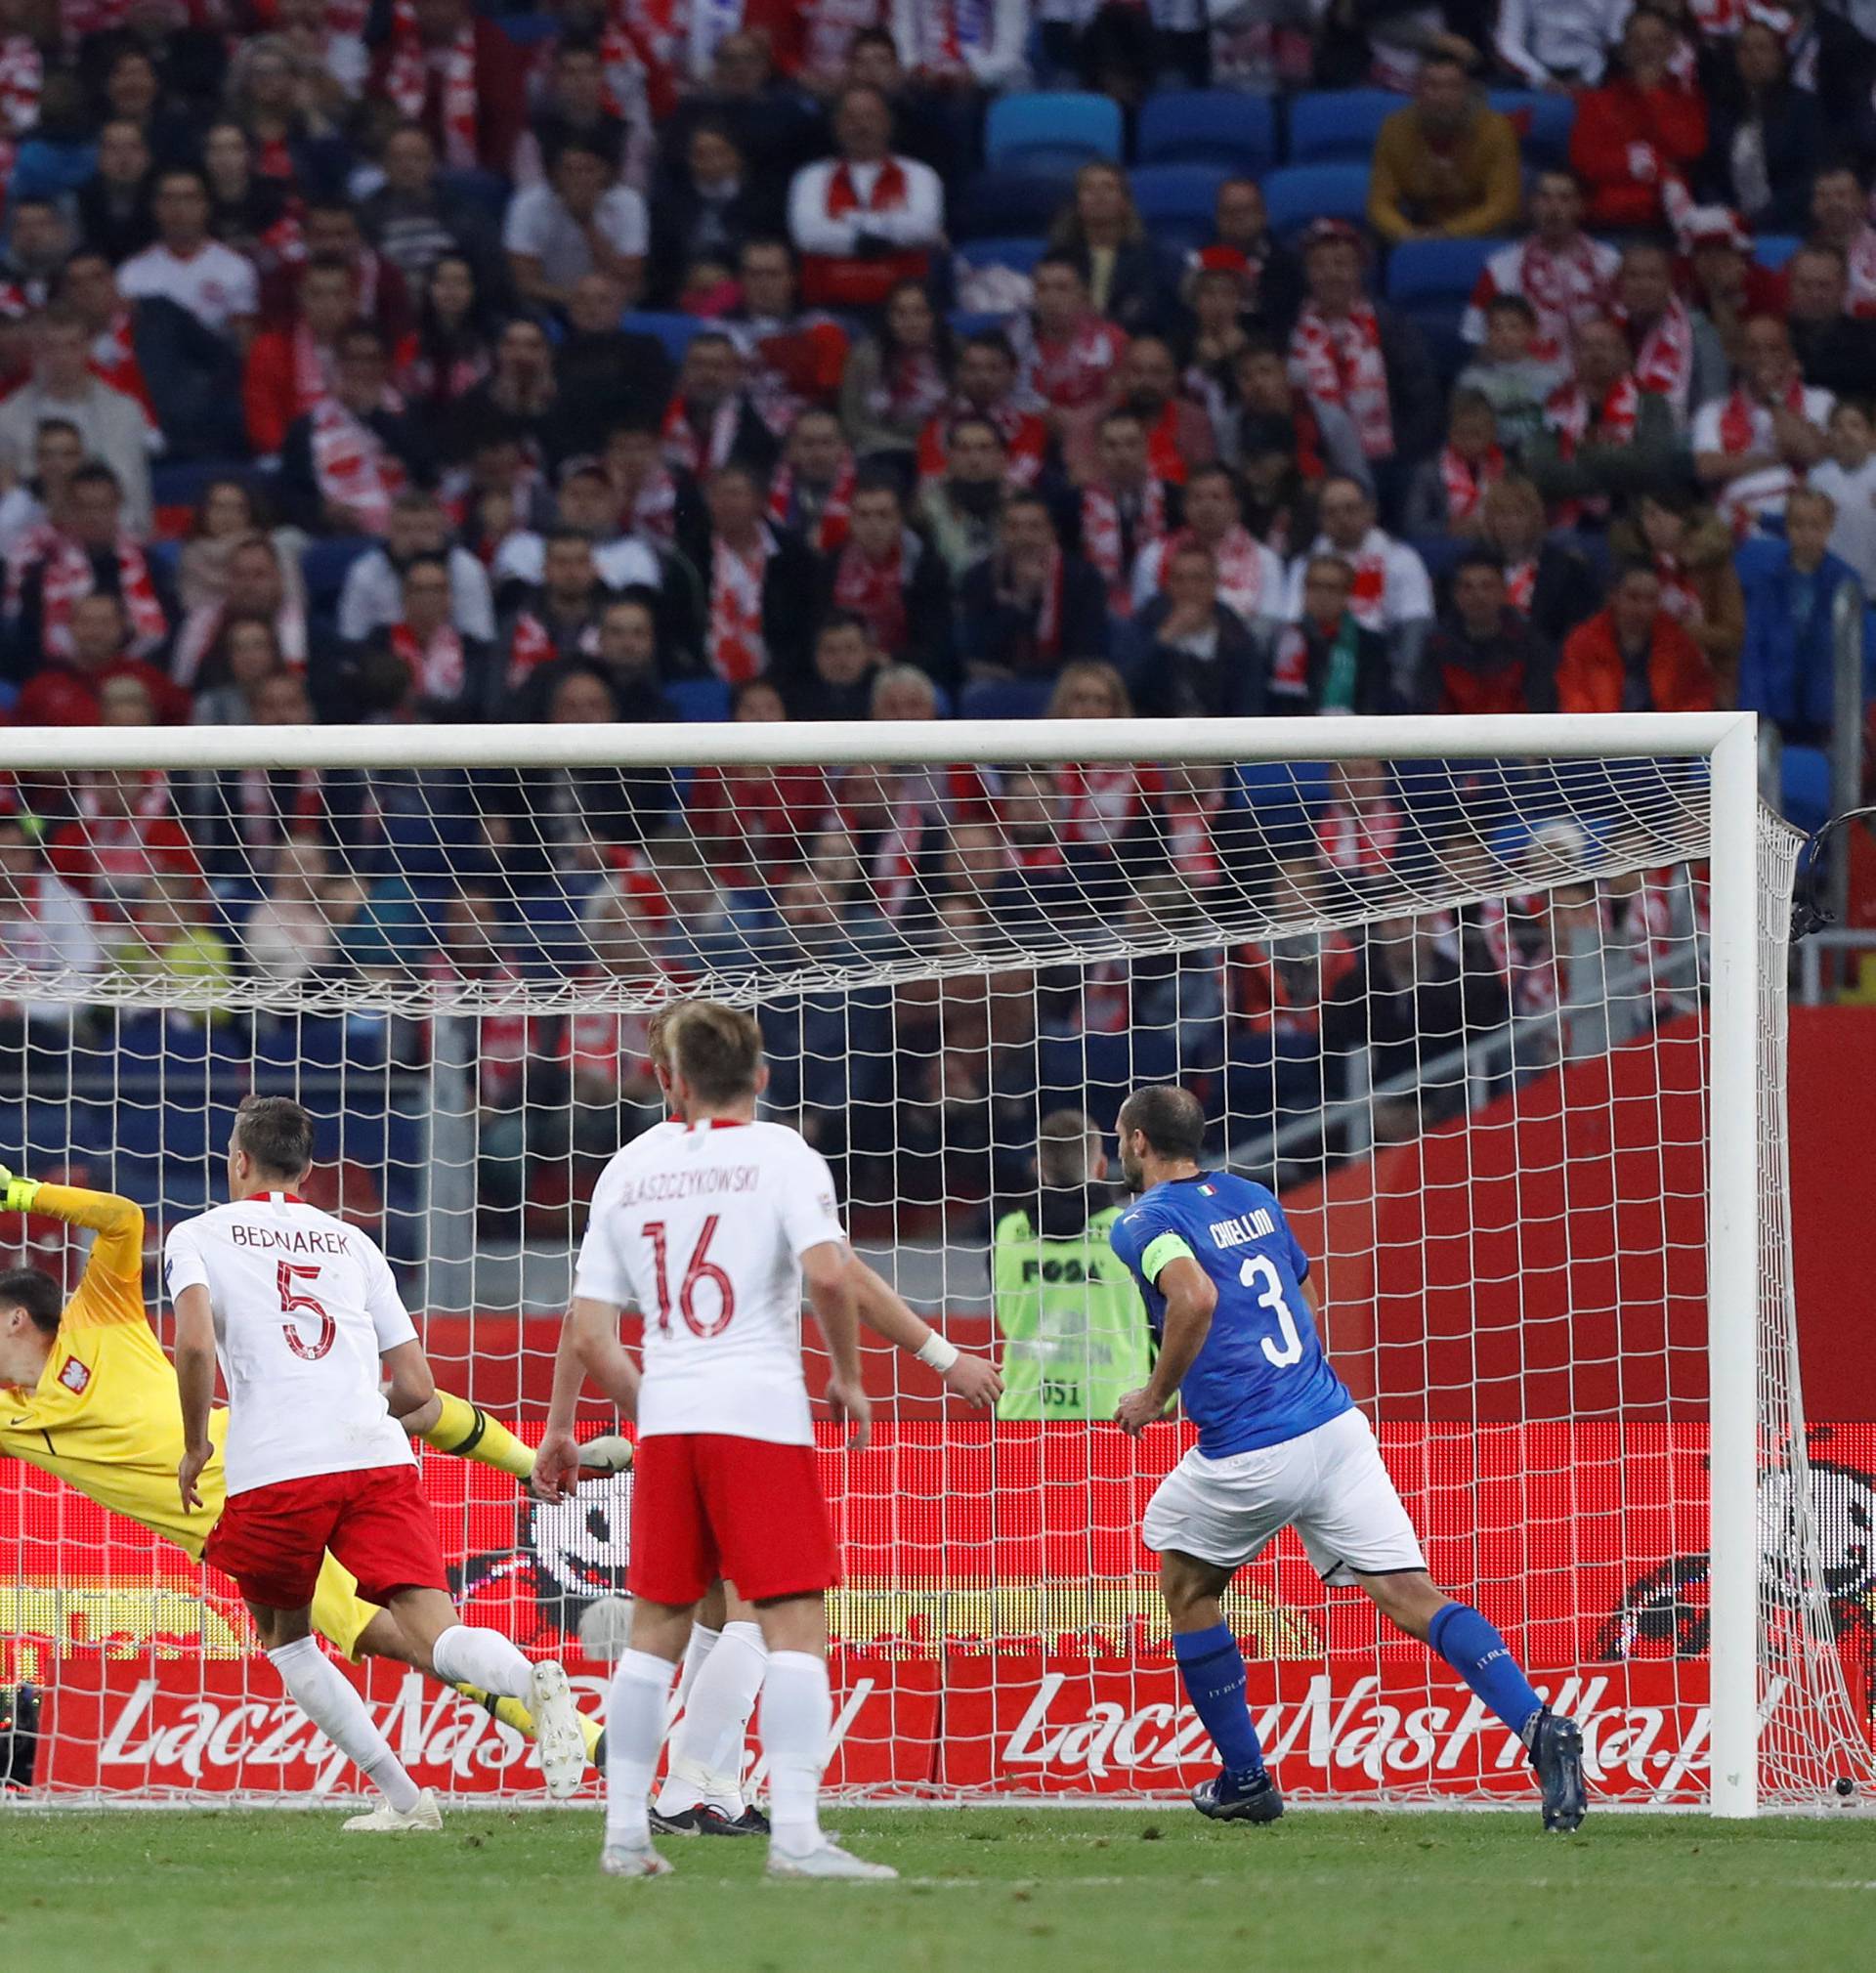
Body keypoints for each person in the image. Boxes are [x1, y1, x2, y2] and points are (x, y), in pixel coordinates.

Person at [0, 1163, 621, 1783]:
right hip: (288, 1460)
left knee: (391, 1638)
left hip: (256, 1485)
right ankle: (531, 1468)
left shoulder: (100, 1317)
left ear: (17, 1318)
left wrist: (21, 1193)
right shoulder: (9, 1416)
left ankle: (576, 1742)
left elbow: (121, 1217)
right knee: (394, 1409)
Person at [1105, 1083, 1588, 1832]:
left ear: (1137, 1141)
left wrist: (1155, 1393)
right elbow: (1305, 1291)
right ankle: (1540, 1725)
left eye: (1120, 1138)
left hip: (1251, 1445)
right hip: (1333, 1424)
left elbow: (1193, 1296)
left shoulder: (1143, 1220)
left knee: (1185, 1583)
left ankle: (1246, 1777)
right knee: (1409, 1593)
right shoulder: (1251, 1195)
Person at [536, 1000, 896, 1880]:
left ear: (675, 1079)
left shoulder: (629, 1169)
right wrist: (848, 1375)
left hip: (672, 1421)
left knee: (655, 1628)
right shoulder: (782, 1153)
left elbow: (587, 1332)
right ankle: (799, 1839)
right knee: (794, 1620)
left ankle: (626, 1835)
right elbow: (825, 1270)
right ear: (762, 1076)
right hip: (758, 1414)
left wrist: (647, 1406)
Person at [991, 1108, 1149, 1421]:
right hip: (1116, 1412)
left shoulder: (1006, 1233)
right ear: (1102, 1167)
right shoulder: (1132, 1231)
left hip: (1025, 1414)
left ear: (1037, 1168)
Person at [1287, 221, 1439, 497]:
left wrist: (1400, 454)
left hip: (1387, 460)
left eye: (1341, 264)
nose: (1331, 274)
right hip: (1313, 463)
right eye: (1319, 265)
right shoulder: (1288, 330)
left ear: (1360, 270)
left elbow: (1421, 398)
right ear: (1307, 273)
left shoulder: (1390, 325)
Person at [787, 84, 944, 312]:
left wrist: (850, 223)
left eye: (871, 116)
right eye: (851, 117)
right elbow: (808, 234)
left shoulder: (919, 173)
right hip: (829, 307)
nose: (861, 125)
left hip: (905, 312)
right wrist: (880, 236)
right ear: (836, 125)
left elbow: (923, 227)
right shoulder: (812, 176)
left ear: (889, 122)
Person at [0, 306, 154, 535]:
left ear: (87, 347)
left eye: (71, 346)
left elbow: (133, 492)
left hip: (115, 537)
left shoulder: (124, 411)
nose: (61, 357)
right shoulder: (8, 417)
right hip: (35, 538)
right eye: (51, 347)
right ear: (35, 351)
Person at [1283, 475, 1434, 701]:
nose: (1342, 518)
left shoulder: (1401, 558)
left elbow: (1416, 621)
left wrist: (1402, 678)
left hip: (1383, 662)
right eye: (1331, 512)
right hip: (1320, 660)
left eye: (1350, 509)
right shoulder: (1305, 563)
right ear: (1320, 519)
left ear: (1370, 511)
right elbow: (1294, 621)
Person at [1736, 485, 1865, 746]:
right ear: (1786, 526)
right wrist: (1754, 708)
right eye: (1798, 524)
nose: (1806, 533)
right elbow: (1753, 647)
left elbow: (1857, 654)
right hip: (1775, 703)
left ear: (1829, 527)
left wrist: (1853, 711)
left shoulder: (1847, 583)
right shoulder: (1765, 580)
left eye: (1815, 525)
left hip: (1826, 709)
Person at [1691, 314, 1833, 538]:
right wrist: (1775, 458)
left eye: (1773, 349)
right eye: (1753, 349)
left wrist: (1774, 399)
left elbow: (1811, 452)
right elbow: (1707, 467)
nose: (1763, 357)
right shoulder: (1714, 411)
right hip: (1738, 525)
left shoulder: (1818, 400)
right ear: (1738, 356)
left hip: (1802, 525)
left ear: (1790, 354)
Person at [1568, 8, 1707, 234]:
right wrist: (1653, 165)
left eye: (1656, 40)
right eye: (1637, 41)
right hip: (1607, 220)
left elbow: (1688, 150)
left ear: (1672, 47)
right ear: (1624, 50)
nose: (1647, 49)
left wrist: (1652, 97)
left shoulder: (1689, 98)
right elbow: (1586, 162)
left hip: (1667, 223)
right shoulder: (1596, 102)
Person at [1462, 172, 1618, 368]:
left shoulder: (1610, 262)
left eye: (1565, 199)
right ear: (1532, 205)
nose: (1554, 209)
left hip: (1596, 377)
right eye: (1545, 198)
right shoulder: (1501, 266)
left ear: (1580, 206)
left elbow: (1624, 333)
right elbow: (1476, 335)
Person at [1366, 54, 1522, 247]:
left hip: (1480, 231)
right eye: (1433, 86)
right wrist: (1407, 233)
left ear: (1466, 91)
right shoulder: (1394, 129)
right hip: (1416, 227)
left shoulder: (1495, 129)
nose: (1443, 96)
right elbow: (1380, 203)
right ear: (1417, 91)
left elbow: (1503, 205)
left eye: (1453, 87)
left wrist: (1449, 232)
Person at [503, 136, 649, 316]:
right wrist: (580, 301)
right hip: (549, 304)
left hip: (609, 304)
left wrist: (586, 222)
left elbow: (630, 278)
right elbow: (524, 282)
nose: (579, 179)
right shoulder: (528, 204)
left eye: (588, 170)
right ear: (555, 174)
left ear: (605, 172)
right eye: (569, 170)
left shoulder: (628, 203)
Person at [1124, 542, 1270, 718]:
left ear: (1215, 583)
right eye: (1180, 579)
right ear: (1168, 584)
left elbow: (1249, 703)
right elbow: (1123, 687)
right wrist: (1163, 639)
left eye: (1198, 579)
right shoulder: (1144, 625)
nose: (1189, 588)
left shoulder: (1236, 635)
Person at [118, 167, 259, 349]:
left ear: (206, 205)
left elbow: (244, 343)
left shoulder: (236, 267)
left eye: (189, 198)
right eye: (169, 199)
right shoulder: (132, 272)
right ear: (155, 207)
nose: (179, 208)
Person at [1556, 563, 1719, 712]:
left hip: (1664, 739)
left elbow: (1698, 698)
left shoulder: (1679, 644)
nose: (1642, 608)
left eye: (1650, 599)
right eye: (1633, 597)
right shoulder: (1583, 642)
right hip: (1601, 738)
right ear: (1613, 596)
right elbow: (1574, 697)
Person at [1425, 549, 1556, 714]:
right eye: (1467, 587)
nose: (1478, 595)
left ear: (1503, 592)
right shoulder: (1437, 648)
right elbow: (1431, 713)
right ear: (1456, 595)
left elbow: (1538, 710)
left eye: (1487, 586)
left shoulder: (1531, 646)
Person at [1267, 554, 1394, 716]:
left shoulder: (1371, 646)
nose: (1322, 595)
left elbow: (1374, 703)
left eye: (1331, 588)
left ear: (1347, 594)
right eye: (1314, 586)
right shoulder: (1282, 640)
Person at [1457, 296, 1570, 459]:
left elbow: (1561, 429)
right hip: (1489, 458)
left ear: (1532, 331)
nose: (1505, 335)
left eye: (1514, 327)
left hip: (1540, 458)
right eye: (1496, 328)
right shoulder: (1470, 381)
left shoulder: (1551, 378)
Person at [1403, 388, 1506, 538]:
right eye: (1461, 433)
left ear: (1491, 433)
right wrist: (1448, 529)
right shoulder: (1429, 472)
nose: (1469, 442)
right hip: (1448, 546)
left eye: (1476, 434)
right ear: (1449, 432)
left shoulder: (1506, 468)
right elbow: (1413, 525)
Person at [1810, 398, 1876, 591]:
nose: (1846, 433)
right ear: (1829, 437)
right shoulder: (1819, 478)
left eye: (1855, 426)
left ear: (1872, 436)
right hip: (1831, 583)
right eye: (1838, 427)